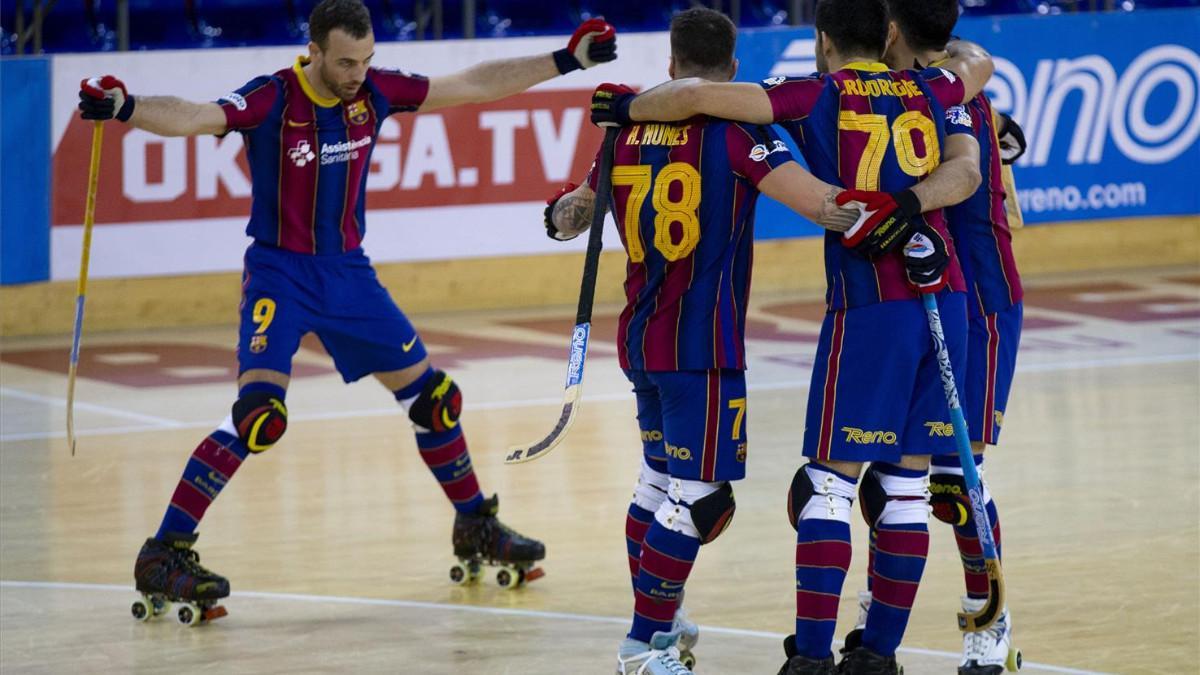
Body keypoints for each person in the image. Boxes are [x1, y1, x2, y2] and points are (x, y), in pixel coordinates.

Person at [76, 0, 617, 620]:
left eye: (365, 61)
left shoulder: (376, 92)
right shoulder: (273, 98)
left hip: (349, 275)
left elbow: (469, 85)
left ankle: (476, 526)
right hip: (282, 274)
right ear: (313, 51)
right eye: (344, 62)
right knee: (260, 417)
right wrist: (126, 107)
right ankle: (164, 553)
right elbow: (196, 116)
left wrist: (565, 60)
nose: (357, 73)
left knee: (436, 400)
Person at [589, 0, 997, 672]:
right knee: (902, 488)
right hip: (944, 298)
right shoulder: (933, 87)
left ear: (821, 39)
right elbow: (975, 78)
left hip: (869, 305)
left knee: (827, 487)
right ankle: (877, 657)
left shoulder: (814, 95)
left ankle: (808, 657)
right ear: (889, 34)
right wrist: (912, 196)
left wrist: (628, 109)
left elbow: (695, 95)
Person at [550, 8, 868, 674]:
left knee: (657, 482)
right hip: (704, 346)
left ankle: (663, 618)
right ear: (733, 73)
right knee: (700, 497)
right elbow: (821, 205)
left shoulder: (624, 130)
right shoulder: (738, 133)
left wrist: (558, 213)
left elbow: (572, 214)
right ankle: (644, 643)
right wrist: (900, 205)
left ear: (670, 66)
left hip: (640, 337)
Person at [837, 3, 1027, 673]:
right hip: (917, 302)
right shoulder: (905, 93)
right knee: (888, 478)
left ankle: (990, 621)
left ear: (892, 32)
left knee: (950, 478)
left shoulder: (944, 96)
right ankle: (876, 623)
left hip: (980, 303)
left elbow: (973, 72)